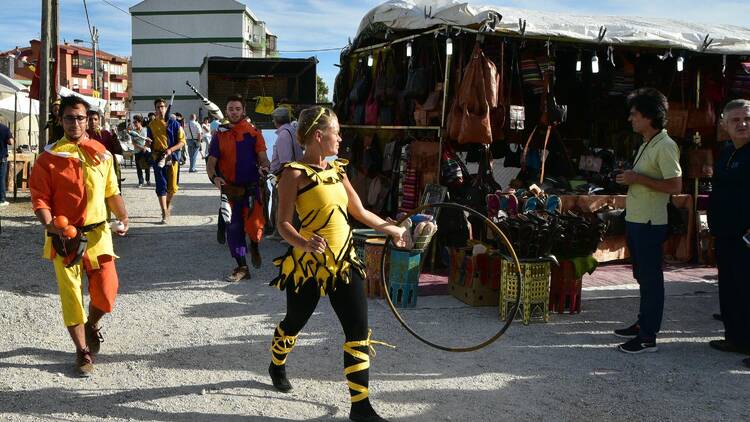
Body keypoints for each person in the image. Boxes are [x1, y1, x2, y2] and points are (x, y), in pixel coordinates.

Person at [267, 106, 407, 422]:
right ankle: (277, 364)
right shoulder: (294, 174)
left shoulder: (337, 171)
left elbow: (360, 212)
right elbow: (282, 223)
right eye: (337, 132)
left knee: (358, 331)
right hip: (308, 267)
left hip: (344, 263)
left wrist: (393, 230)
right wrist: (304, 243)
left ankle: (360, 408)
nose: (341, 138)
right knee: (294, 322)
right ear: (319, 136)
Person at [28, 95, 129, 377]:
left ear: (89, 120)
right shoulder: (49, 158)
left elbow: (112, 191)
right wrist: (50, 225)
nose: (75, 123)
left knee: (107, 292)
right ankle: (82, 351)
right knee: (71, 294)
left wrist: (124, 217)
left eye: (80, 118)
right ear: (61, 121)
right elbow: (40, 200)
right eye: (70, 118)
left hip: (98, 234)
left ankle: (92, 323)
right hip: (63, 236)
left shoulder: (101, 154)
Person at [614, 88, 682, 354]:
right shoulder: (646, 143)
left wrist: (637, 179)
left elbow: (675, 184)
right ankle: (643, 324)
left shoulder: (665, 145)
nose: (630, 119)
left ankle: (648, 337)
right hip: (637, 219)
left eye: (635, 114)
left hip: (651, 223)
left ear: (649, 116)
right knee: (642, 275)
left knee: (651, 279)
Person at [206, 95, 270, 282]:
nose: (234, 112)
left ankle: (255, 245)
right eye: (231, 109)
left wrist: (264, 166)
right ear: (226, 111)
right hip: (231, 191)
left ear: (243, 111)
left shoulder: (253, 133)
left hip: (252, 189)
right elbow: (211, 162)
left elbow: (263, 157)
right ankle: (242, 266)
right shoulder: (220, 135)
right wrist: (214, 177)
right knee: (234, 229)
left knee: (255, 227)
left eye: (237, 109)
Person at [707, 99, 750, 367]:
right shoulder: (728, 152)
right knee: (732, 290)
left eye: (747, 118)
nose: (743, 124)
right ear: (724, 124)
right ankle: (737, 339)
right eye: (735, 120)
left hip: (746, 237)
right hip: (727, 234)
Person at [147, 98, 185, 224]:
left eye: (162, 106)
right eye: (158, 107)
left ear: (166, 107)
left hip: (172, 158)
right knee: (161, 185)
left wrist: (170, 150)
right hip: (158, 158)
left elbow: (182, 142)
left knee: (172, 187)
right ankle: (164, 211)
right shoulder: (152, 125)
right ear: (155, 109)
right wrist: (148, 143)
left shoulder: (174, 124)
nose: (160, 109)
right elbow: (149, 142)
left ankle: (167, 205)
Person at [267, 107, 303, 240]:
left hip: (284, 175)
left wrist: (280, 178)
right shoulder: (292, 131)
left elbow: (285, 160)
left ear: (275, 120)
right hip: (293, 173)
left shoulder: (283, 135)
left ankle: (283, 235)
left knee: (282, 205)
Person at [87, 110, 124, 192]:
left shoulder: (105, 134)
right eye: (90, 119)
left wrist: (115, 138)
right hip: (89, 170)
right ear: (86, 120)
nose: (93, 122)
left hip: (105, 169)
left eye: (95, 119)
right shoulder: (83, 135)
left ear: (99, 120)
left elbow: (117, 150)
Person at [131, 115, 151, 188]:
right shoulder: (133, 132)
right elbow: (133, 142)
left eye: (135, 122)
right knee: (138, 167)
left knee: (147, 166)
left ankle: (148, 179)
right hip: (137, 151)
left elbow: (148, 140)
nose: (134, 124)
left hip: (146, 151)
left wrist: (145, 147)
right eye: (134, 122)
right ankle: (140, 182)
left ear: (140, 122)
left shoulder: (145, 130)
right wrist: (140, 147)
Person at [0, 120, 13, 206]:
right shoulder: (4, 128)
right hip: (1, 157)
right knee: (1, 178)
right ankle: (1, 199)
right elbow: (10, 142)